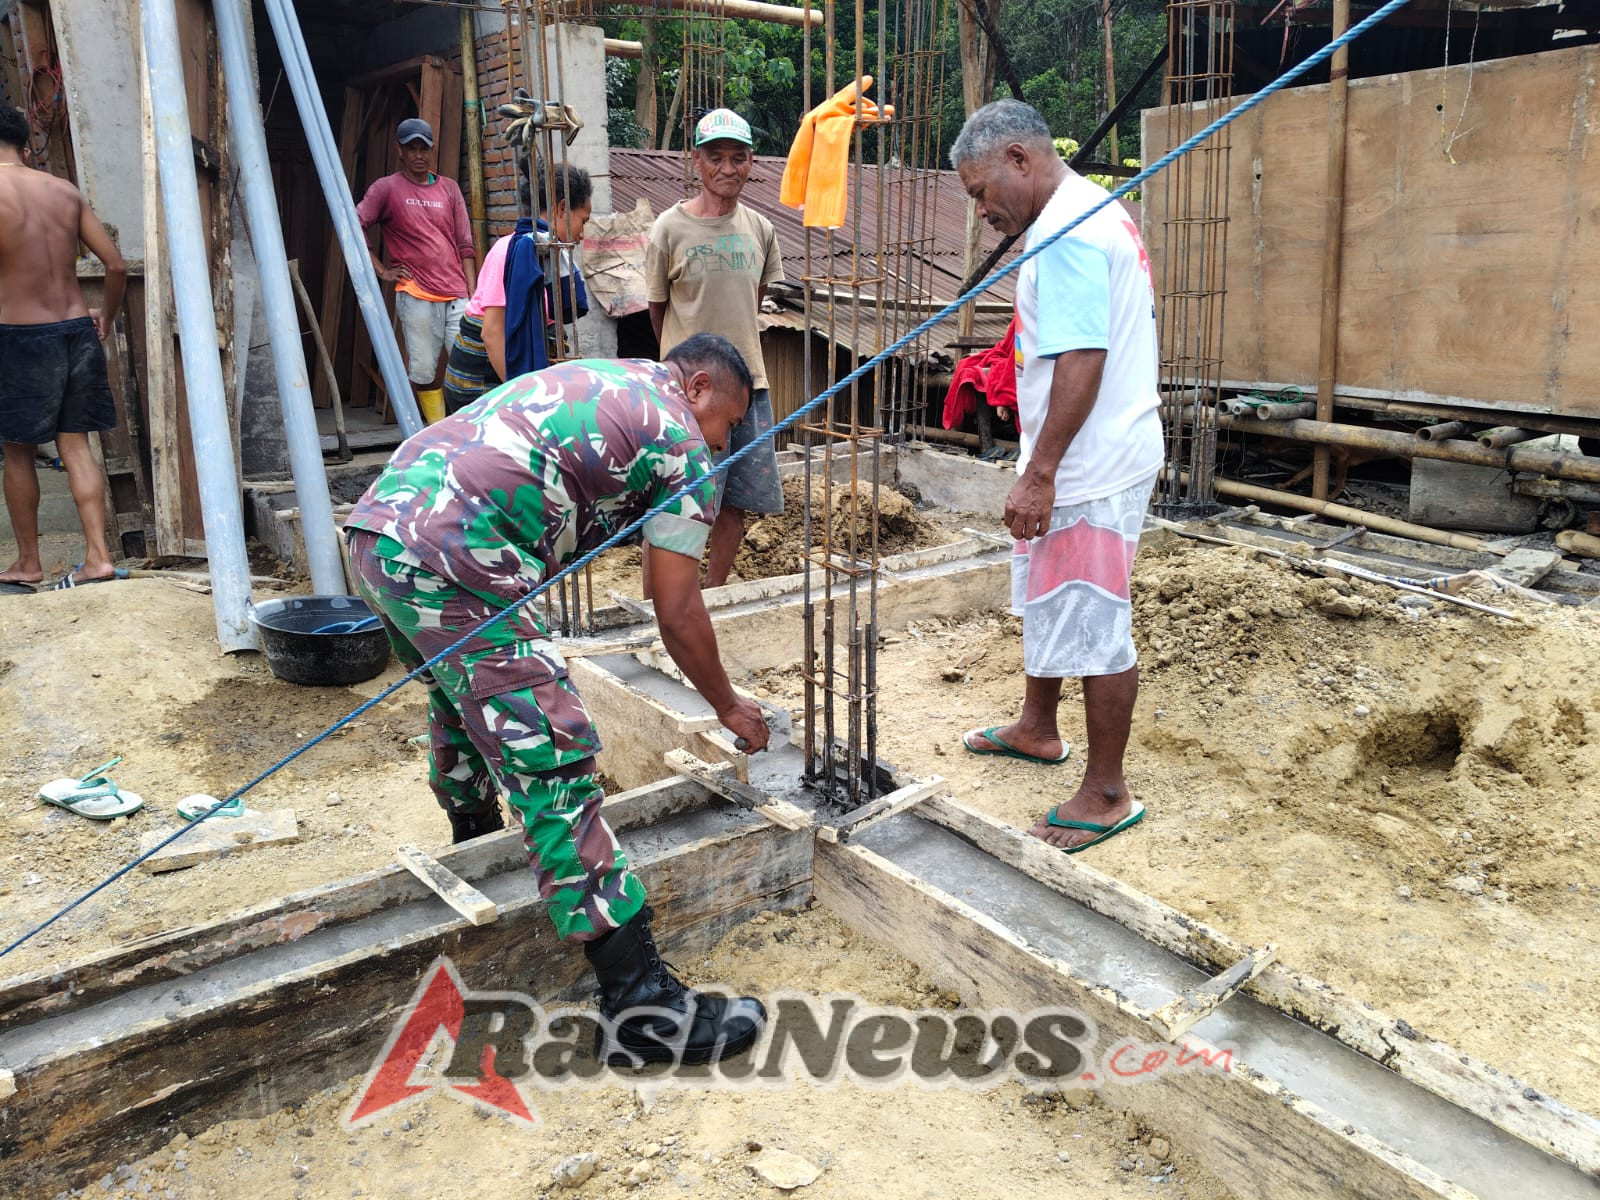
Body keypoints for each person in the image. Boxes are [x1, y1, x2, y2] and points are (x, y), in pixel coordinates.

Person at [344, 333, 770, 1065]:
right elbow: (675, 607)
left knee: (462, 700)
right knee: (552, 758)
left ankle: (476, 846)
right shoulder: (680, 439)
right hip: (458, 554)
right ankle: (642, 1007)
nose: (723, 443)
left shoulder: (617, 378)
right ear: (698, 387)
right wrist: (729, 705)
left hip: (383, 530)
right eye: (728, 423)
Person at [950, 99, 1163, 854]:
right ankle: (1038, 728)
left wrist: (1040, 474)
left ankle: (1107, 791)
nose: (982, 214)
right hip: (1088, 453)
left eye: (981, 193)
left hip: (1091, 465)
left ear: (1018, 158)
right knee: (1050, 590)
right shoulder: (1083, 210)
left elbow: (1083, 358)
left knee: (1094, 621)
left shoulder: (1068, 235)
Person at [645, 108, 785, 589]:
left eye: (738, 158)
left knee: (734, 502)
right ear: (697, 163)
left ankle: (714, 595)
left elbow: (761, 301)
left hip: (749, 390)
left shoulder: (762, 230)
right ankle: (661, 602)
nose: (728, 168)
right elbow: (658, 310)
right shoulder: (669, 229)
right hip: (687, 395)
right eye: (716, 157)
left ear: (751, 163)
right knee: (674, 504)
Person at [0, 104, 127, 590]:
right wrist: (108, 317)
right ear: (24, 145)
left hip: (20, 337)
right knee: (76, 446)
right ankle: (98, 558)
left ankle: (28, 563)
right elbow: (114, 266)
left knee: (18, 451)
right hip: (77, 329)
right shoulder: (64, 191)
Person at [442, 163, 593, 414]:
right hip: (479, 384)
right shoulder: (512, 251)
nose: (582, 234)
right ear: (563, 208)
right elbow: (491, 334)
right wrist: (524, 401)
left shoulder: (549, 256)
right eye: (583, 221)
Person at [356, 118, 478, 420]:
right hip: (417, 293)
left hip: (457, 295)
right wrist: (382, 271)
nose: (419, 155)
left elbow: (465, 244)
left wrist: (473, 296)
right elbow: (353, 225)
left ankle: (468, 429)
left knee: (470, 365)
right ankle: (436, 430)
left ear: (432, 150)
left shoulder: (449, 189)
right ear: (400, 150)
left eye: (424, 148)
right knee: (424, 370)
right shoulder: (386, 189)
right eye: (412, 148)